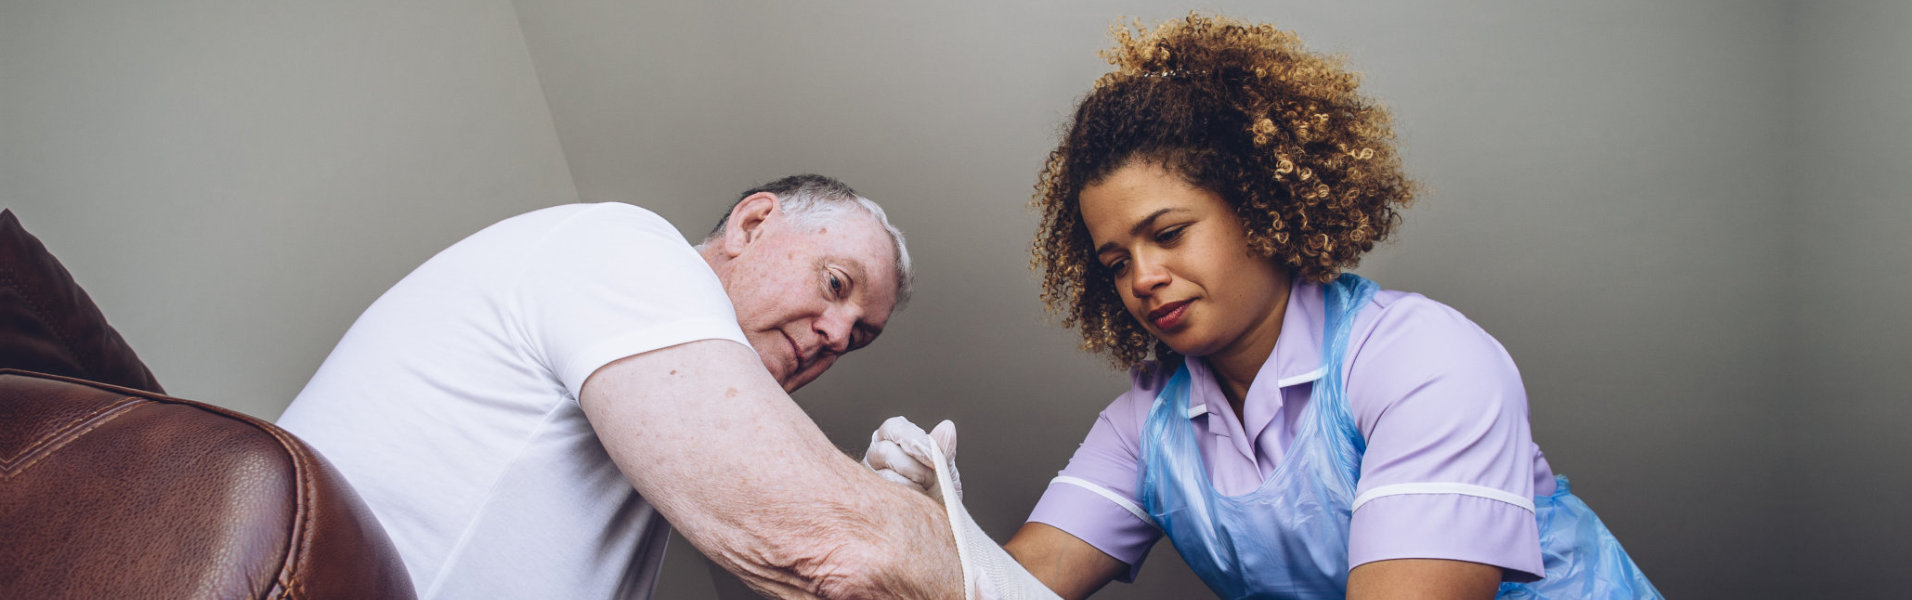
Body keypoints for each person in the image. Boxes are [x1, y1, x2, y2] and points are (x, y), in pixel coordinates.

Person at [864, 14, 1662, 599]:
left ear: (1258, 206)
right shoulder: (1150, 425)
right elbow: (1017, 588)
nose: (1144, 277)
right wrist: (935, 539)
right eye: (1116, 262)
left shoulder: (1423, 363)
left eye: (1168, 233)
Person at [278, 174, 963, 599]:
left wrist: (882, 513)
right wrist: (930, 530)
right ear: (752, 224)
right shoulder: (627, 247)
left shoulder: (652, 431)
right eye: (836, 284)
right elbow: (836, 550)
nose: (839, 336)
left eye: (861, 336)